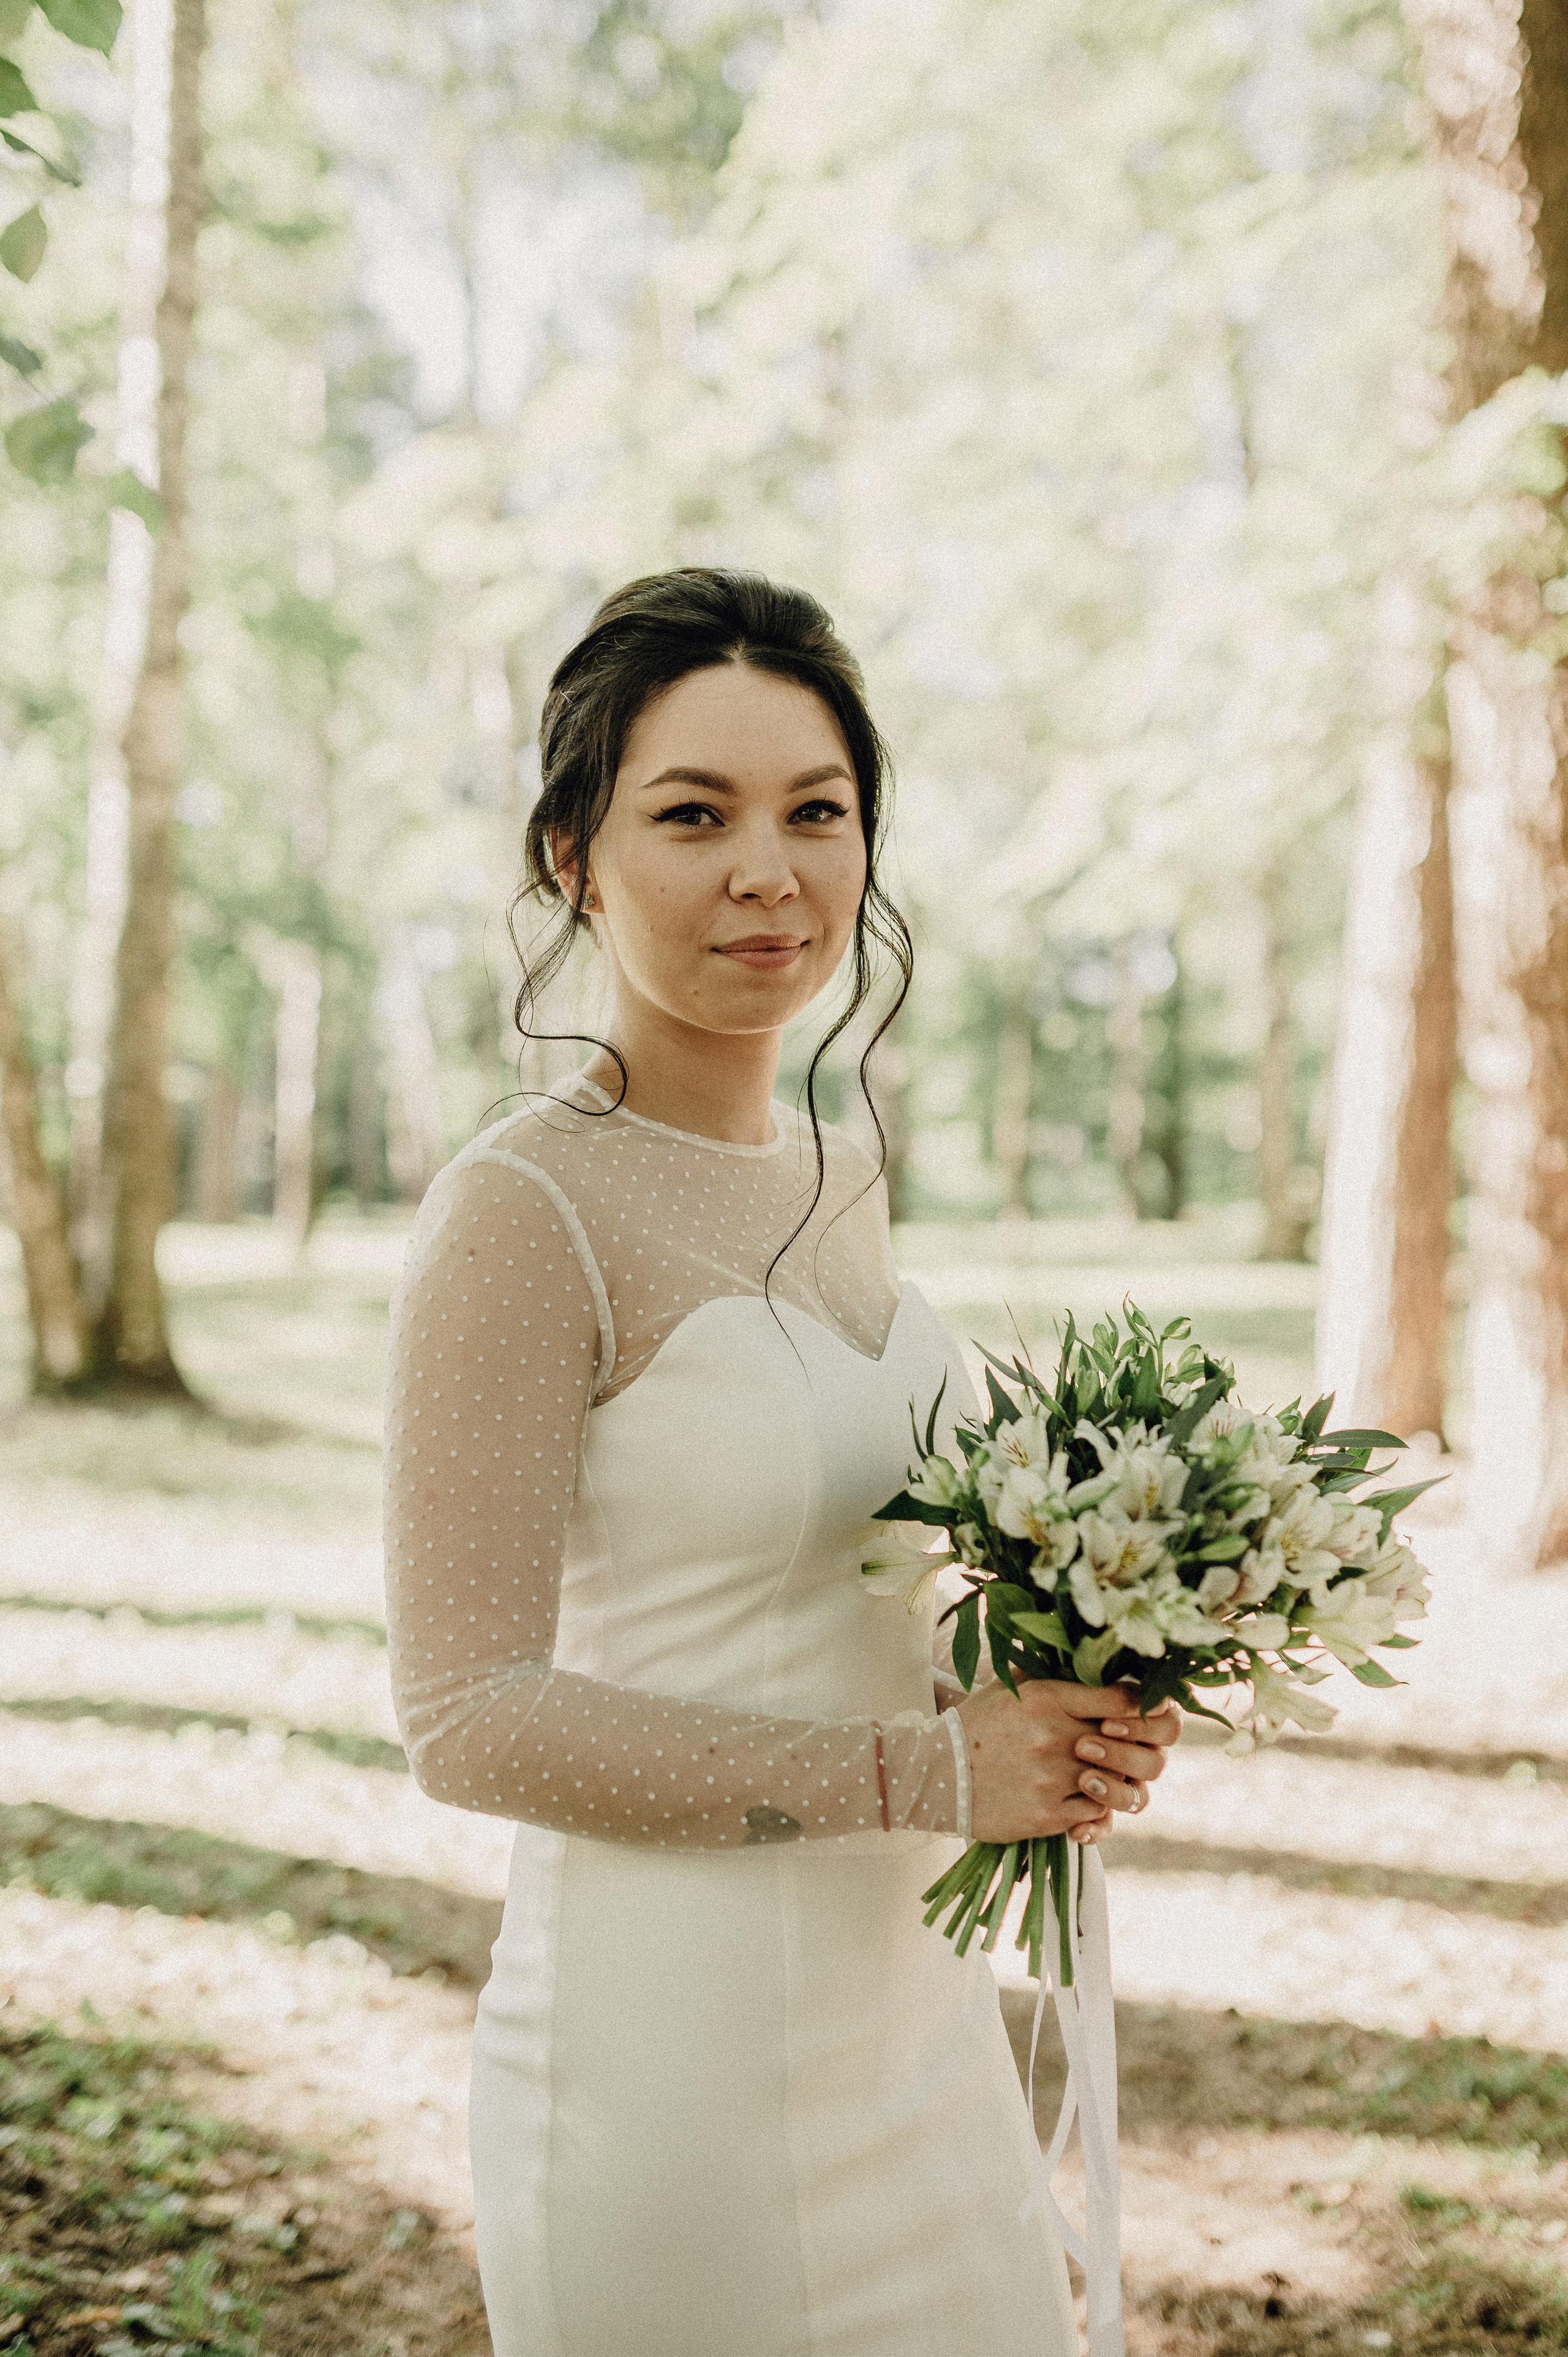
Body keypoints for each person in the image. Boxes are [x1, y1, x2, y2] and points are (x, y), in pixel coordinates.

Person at [382, 568, 1180, 2357]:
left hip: (915, 2029)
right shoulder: (524, 1214)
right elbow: (468, 1716)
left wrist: (1082, 1684)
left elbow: (847, 1579)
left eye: (819, 812)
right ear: (575, 856)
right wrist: (919, 1774)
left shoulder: (842, 1175)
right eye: (695, 814)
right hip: (669, 2076)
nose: (772, 869)